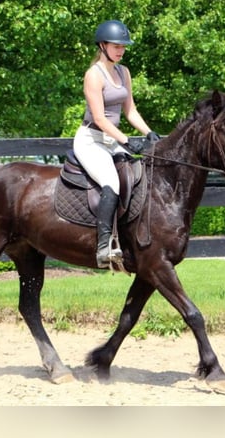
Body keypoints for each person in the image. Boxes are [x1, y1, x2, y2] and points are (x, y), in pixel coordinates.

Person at [73, 19, 160, 268]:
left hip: (111, 139)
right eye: (116, 46)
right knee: (111, 181)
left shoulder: (124, 72)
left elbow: (130, 110)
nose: (121, 50)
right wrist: (126, 141)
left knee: (137, 176)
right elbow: (99, 118)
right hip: (91, 140)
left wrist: (148, 132)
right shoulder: (93, 75)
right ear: (102, 45)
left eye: (123, 46)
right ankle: (102, 248)